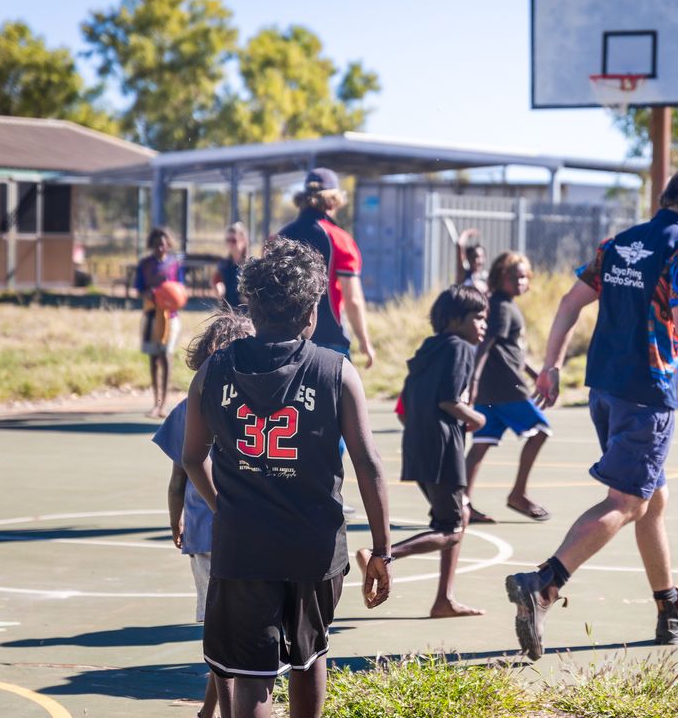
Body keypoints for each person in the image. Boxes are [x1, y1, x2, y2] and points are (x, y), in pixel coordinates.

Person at [504, 163, 678, 661]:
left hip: (605, 389)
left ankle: (669, 607)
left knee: (653, 499)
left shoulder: (618, 244)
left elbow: (570, 303)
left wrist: (551, 365)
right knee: (628, 502)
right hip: (647, 393)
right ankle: (543, 585)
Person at [180, 237, 392, 718]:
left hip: (243, 544)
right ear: (312, 312)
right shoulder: (335, 371)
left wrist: (224, 508)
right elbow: (368, 463)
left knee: (252, 678)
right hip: (314, 547)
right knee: (308, 657)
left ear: (250, 306)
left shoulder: (212, 371)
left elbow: (193, 457)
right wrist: (382, 551)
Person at [357, 285, 489, 619]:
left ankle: (444, 599)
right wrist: (477, 417)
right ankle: (383, 557)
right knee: (452, 529)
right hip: (444, 449)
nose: (483, 325)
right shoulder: (460, 348)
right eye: (478, 317)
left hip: (417, 444)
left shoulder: (428, 349)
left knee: (457, 516)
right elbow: (449, 400)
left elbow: (403, 408)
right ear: (455, 319)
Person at [153, 307, 253, 718]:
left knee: (225, 630)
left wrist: (174, 519)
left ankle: (208, 711)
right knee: (230, 631)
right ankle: (222, 712)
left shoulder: (189, 405)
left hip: (212, 533)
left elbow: (177, 480)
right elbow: (183, 473)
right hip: (228, 533)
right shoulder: (245, 404)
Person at [464, 252, 553, 524]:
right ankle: (518, 493)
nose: (522, 281)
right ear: (501, 276)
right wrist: (473, 383)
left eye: (526, 277)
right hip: (505, 388)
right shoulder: (502, 306)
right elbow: (486, 346)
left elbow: (510, 349)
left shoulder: (504, 305)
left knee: (481, 444)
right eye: (516, 276)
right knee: (540, 431)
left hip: (493, 389)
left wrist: (535, 373)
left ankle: (462, 503)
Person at [277, 168, 375, 369]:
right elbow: (353, 299)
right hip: (330, 342)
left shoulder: (279, 238)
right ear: (333, 200)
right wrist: (365, 342)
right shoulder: (339, 239)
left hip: (285, 343)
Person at [135, 226, 186, 418]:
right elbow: (139, 288)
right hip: (150, 315)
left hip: (169, 318)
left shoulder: (174, 265)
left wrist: (171, 296)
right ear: (152, 245)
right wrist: (149, 293)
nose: (160, 248)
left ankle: (163, 404)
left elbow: (180, 289)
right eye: (157, 245)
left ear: (168, 245)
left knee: (166, 356)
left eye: (163, 245)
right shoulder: (145, 264)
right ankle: (155, 403)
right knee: (153, 358)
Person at [212, 221, 249, 310]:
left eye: (233, 240)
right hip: (228, 313)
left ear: (243, 241)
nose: (230, 244)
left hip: (246, 315)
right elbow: (217, 284)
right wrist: (218, 288)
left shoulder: (251, 265)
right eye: (227, 240)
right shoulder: (223, 264)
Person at [456, 228, 488, 294]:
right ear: (468, 258)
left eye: (481, 257)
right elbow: (460, 245)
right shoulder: (464, 273)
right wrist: (467, 233)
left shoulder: (487, 276)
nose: (477, 261)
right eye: (474, 257)